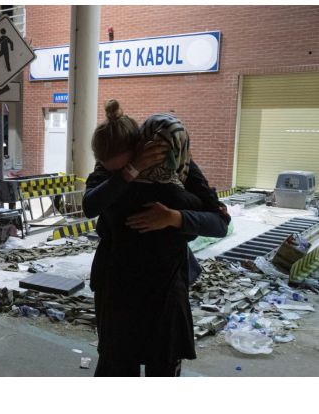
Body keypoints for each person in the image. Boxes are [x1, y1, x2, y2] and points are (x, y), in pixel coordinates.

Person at [83, 100, 230, 377]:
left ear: (138, 146)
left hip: (165, 289)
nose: (111, 171)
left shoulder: (177, 165)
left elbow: (219, 223)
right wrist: (130, 171)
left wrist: (174, 218)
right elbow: (90, 205)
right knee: (116, 366)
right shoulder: (112, 169)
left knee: (162, 366)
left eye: (120, 166)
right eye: (107, 167)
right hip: (117, 287)